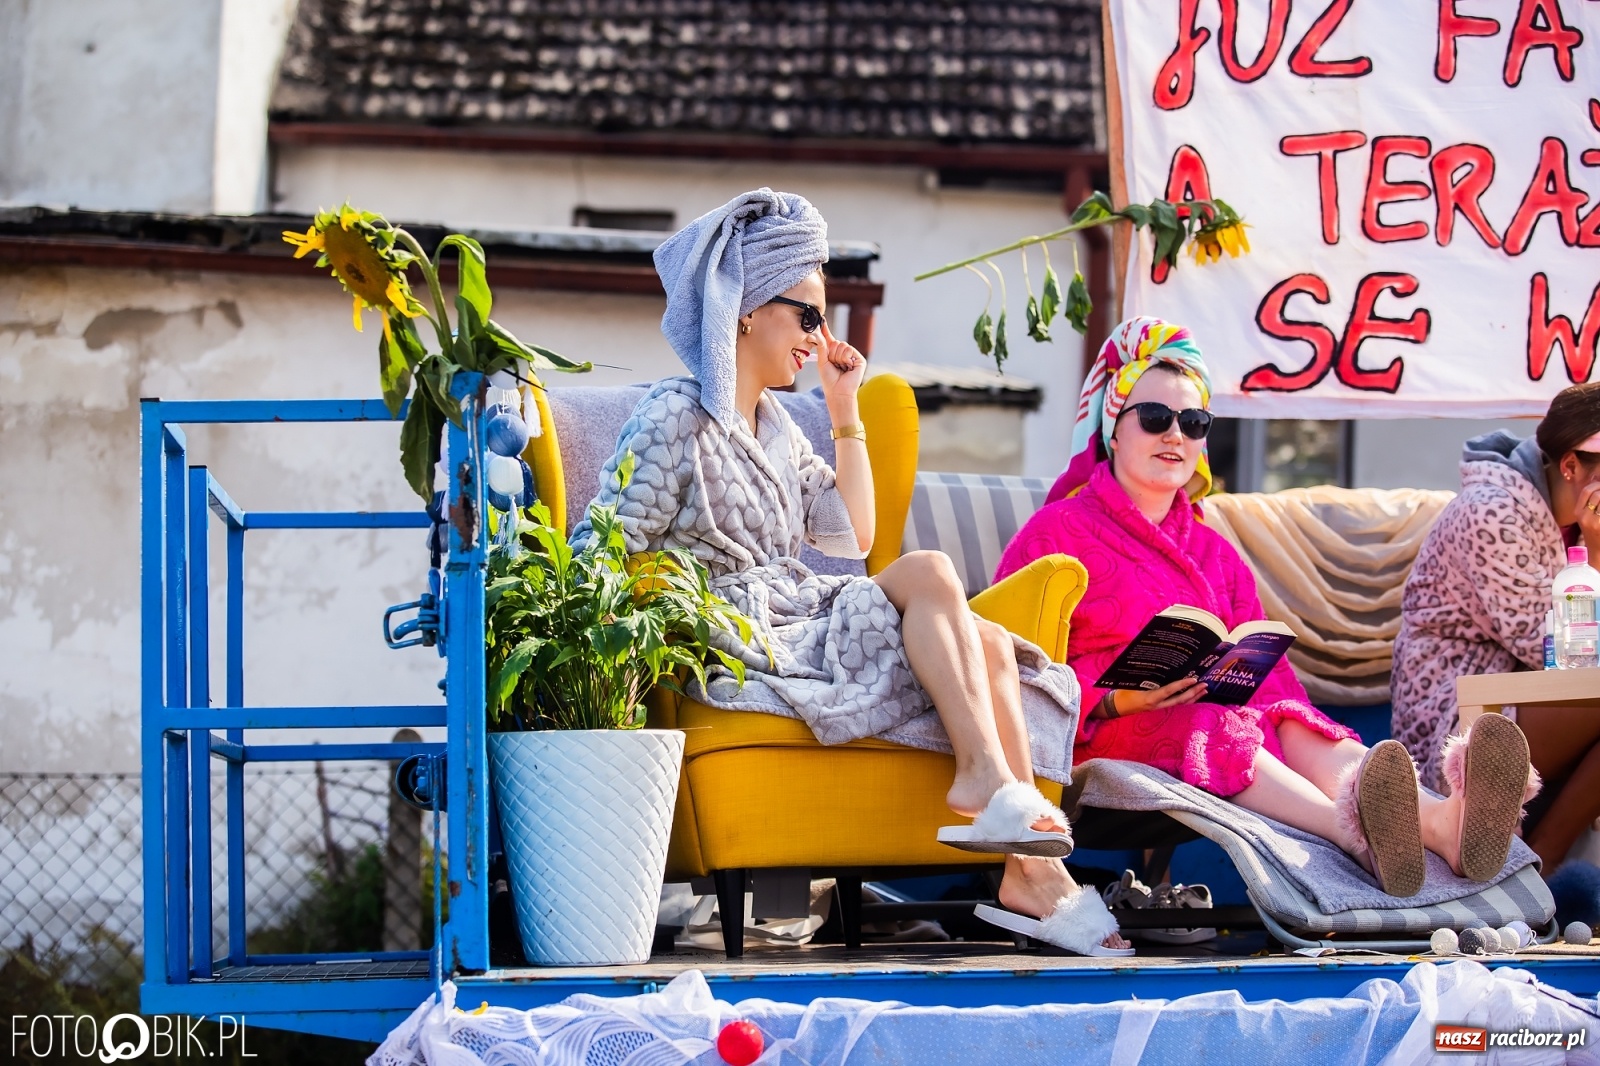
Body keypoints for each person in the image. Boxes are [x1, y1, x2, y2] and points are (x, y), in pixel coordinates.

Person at [570, 189, 1128, 954]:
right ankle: (995, 790)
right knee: (930, 570)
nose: (819, 336)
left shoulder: (774, 426)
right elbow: (609, 549)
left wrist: (842, 409)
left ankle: (1024, 867)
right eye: (807, 315)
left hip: (797, 608)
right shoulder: (675, 417)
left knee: (991, 644)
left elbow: (854, 535)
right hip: (734, 631)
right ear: (743, 308)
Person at [994, 316, 1539, 896]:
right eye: (1155, 418)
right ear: (1115, 427)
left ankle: (1441, 821)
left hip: (1212, 718)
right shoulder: (1056, 531)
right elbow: (1012, 665)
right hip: (1101, 733)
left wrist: (1253, 684)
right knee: (1214, 717)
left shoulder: (1215, 551)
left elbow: (1268, 674)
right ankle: (1355, 833)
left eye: (1194, 421)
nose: (1175, 435)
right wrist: (1117, 698)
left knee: (1287, 716)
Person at [1393, 382, 1600, 875]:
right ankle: (1537, 869)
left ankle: (1539, 870)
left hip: (1532, 695)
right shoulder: (1491, 513)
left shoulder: (1572, 520)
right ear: (1569, 466)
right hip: (1456, 718)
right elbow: (1557, 648)